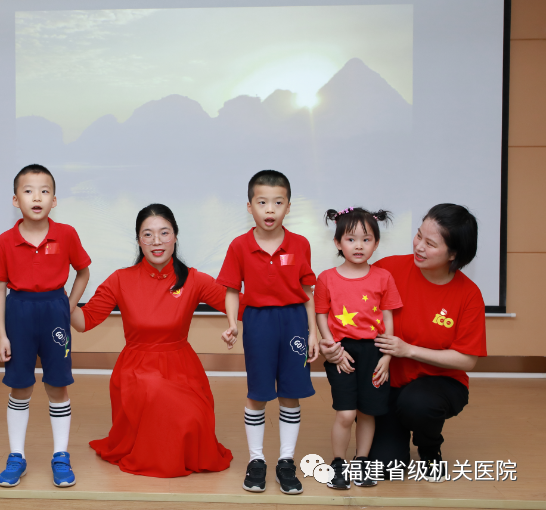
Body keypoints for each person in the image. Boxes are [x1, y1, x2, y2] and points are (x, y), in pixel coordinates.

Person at [321, 204, 486, 483]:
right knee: (385, 467)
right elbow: (339, 308)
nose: (419, 246)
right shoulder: (387, 270)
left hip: (437, 385)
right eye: (419, 235)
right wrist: (330, 344)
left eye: (430, 244)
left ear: (453, 254)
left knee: (419, 403)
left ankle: (429, 448)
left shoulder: (468, 294)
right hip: (383, 382)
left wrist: (408, 350)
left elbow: (467, 359)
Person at [70, 204, 237, 478]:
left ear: (175, 236)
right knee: (156, 391)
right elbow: (84, 321)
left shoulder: (193, 279)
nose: (156, 241)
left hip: (182, 368)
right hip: (136, 371)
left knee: (193, 418)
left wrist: (240, 319)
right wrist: (62, 298)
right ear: (138, 240)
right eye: (148, 234)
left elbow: (240, 304)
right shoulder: (120, 279)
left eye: (164, 233)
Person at [0, 164, 91, 488]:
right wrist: (2, 335)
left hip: (54, 312)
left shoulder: (67, 234)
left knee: (58, 385)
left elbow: (83, 272)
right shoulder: (4, 241)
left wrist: (68, 306)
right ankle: (16, 456)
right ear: (15, 200)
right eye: (28, 191)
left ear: (54, 200)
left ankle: (61, 456)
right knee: (20, 386)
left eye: (45, 191)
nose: (37, 197)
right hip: (19, 313)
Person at [218, 169, 319, 495]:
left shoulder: (300, 244)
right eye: (262, 202)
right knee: (258, 392)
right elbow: (231, 290)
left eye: (278, 202)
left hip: (294, 322)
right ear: (250, 206)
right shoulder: (239, 245)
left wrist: (313, 332)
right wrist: (233, 323)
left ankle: (286, 461)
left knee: (291, 391)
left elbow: (308, 291)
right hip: (258, 322)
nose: (270, 209)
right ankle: (257, 460)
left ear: (289, 206)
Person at [314, 207, 402, 489]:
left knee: (367, 412)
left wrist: (387, 357)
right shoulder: (326, 278)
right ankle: (338, 463)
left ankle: (361, 461)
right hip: (342, 352)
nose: (359, 246)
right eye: (351, 239)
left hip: (374, 351)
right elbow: (321, 314)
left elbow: (388, 317)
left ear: (376, 243)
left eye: (366, 239)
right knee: (346, 413)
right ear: (338, 242)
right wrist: (334, 348)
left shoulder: (384, 277)